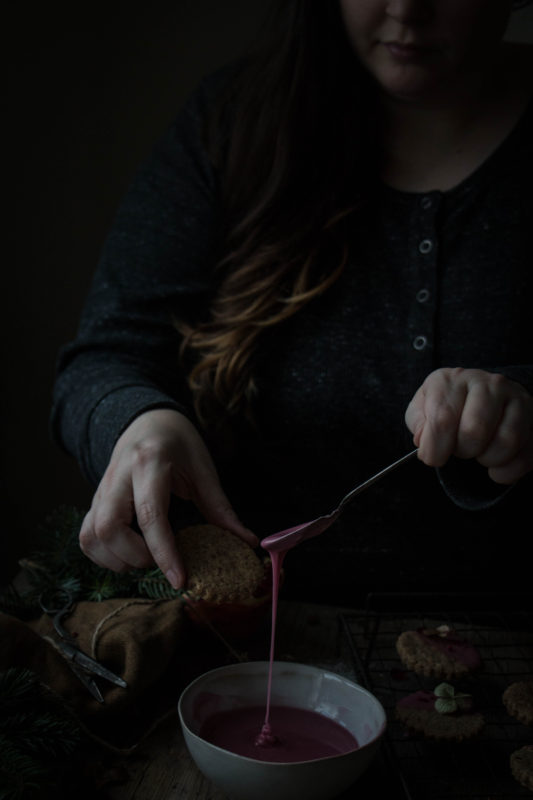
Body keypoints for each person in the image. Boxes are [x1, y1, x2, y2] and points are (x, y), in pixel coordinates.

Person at [51, 0, 533, 607]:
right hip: (240, 639)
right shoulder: (235, 125)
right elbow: (106, 354)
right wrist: (139, 423)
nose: (408, 8)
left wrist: (522, 403)